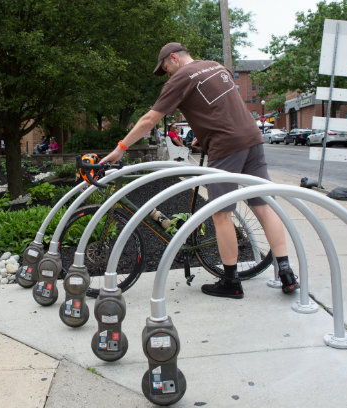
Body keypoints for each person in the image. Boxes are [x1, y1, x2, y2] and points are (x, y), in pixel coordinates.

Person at [100, 42, 298, 299]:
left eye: (166, 69)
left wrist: (121, 147)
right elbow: (223, 109)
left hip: (226, 146)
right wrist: (203, 136)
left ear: (174, 58)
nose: (168, 75)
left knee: (221, 214)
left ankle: (231, 281)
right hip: (251, 138)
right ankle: (286, 273)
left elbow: (150, 120)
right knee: (262, 204)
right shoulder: (217, 67)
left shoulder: (180, 78)